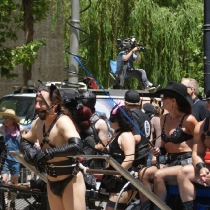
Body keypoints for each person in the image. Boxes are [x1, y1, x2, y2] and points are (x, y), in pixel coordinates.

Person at [19, 84, 86, 210]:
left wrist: (48, 153)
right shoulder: (37, 124)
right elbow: (24, 140)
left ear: (55, 104)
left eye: (42, 103)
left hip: (70, 180)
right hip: (51, 180)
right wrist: (30, 153)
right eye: (36, 102)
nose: (37, 106)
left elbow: (77, 146)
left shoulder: (63, 121)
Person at [138, 81, 197, 210]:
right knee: (143, 173)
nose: (161, 100)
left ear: (173, 101)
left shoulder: (189, 120)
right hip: (169, 161)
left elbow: (199, 142)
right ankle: (146, 207)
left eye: (164, 97)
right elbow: (164, 145)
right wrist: (159, 150)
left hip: (186, 163)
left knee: (159, 174)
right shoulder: (163, 118)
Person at [177, 89, 210, 210]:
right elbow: (197, 153)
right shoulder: (201, 127)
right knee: (184, 172)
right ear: (208, 105)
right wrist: (202, 169)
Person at [101, 101, 136, 210]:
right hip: (116, 177)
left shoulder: (126, 135)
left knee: (112, 208)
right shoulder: (118, 133)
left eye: (112, 118)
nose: (109, 120)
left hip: (123, 180)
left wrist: (116, 177)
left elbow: (130, 158)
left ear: (118, 120)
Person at [0, 108, 25, 209]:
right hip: (5, 158)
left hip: (16, 158)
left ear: (13, 120)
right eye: (4, 118)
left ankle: (13, 202)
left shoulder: (19, 128)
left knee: (14, 182)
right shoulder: (1, 129)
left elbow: (27, 137)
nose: (5, 120)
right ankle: (4, 203)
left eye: (7, 118)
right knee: (4, 181)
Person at [124, 90, 152, 168]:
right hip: (145, 154)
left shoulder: (132, 115)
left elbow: (136, 138)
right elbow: (150, 136)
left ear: (125, 103)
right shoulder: (146, 116)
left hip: (135, 156)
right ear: (140, 102)